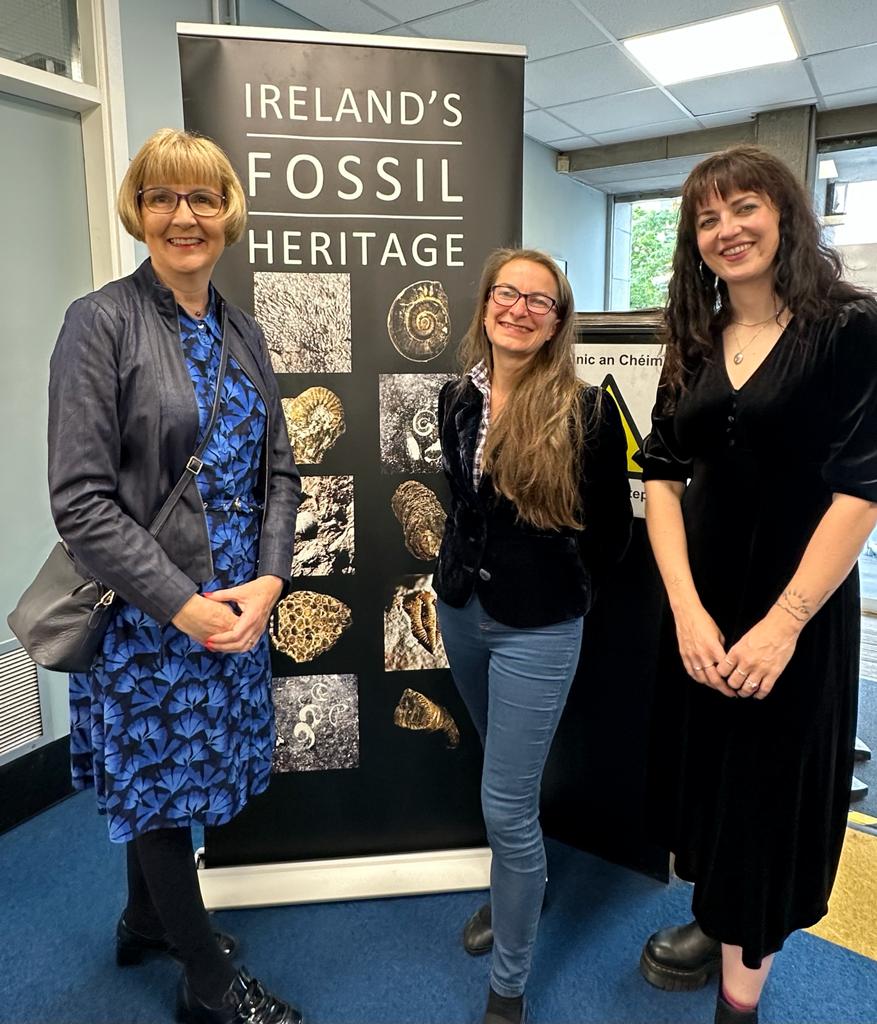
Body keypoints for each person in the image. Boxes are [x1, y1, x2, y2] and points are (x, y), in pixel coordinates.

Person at [48, 129, 303, 1024]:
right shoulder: (101, 320)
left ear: (227, 213)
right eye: (162, 197)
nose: (183, 216)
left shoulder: (244, 329)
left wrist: (269, 585)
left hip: (237, 607)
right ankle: (204, 984)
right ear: (139, 211)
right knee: (160, 783)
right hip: (150, 611)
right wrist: (183, 604)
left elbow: (280, 474)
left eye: (201, 198)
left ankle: (143, 921)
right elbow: (80, 501)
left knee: (183, 776)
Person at [635, 144, 877, 1024]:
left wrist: (781, 624)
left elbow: (862, 489)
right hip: (701, 604)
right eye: (706, 218)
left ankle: (740, 998)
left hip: (798, 609)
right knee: (710, 781)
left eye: (743, 208)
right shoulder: (692, 335)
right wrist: (686, 611)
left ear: (784, 214)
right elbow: (659, 475)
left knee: (771, 797)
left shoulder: (849, 328)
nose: (726, 230)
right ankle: (720, 917)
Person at [434, 248, 632, 1024]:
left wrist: (544, 579)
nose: (517, 308)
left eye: (537, 301)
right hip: (460, 615)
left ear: (557, 321)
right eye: (504, 294)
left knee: (505, 809)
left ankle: (508, 989)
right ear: (485, 304)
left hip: (537, 630)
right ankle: (520, 893)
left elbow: (611, 539)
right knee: (502, 783)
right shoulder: (455, 397)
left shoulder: (585, 412)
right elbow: (461, 505)